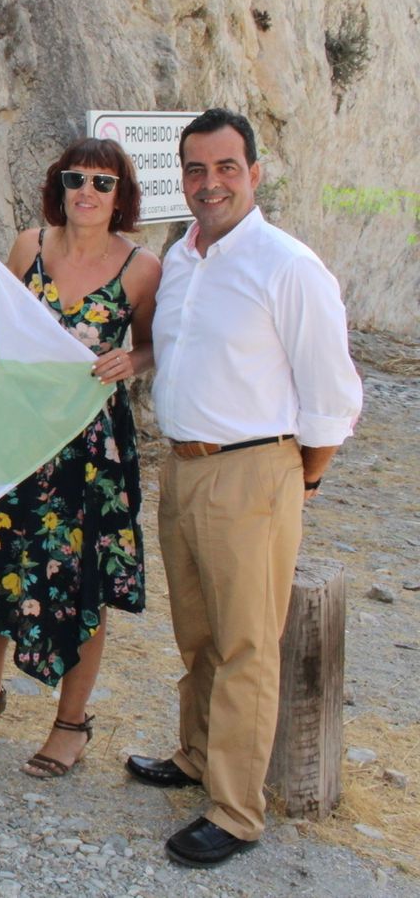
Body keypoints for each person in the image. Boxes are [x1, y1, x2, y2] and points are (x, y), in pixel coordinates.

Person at [128, 108, 362, 867]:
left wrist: (304, 476)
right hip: (183, 466)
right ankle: (196, 756)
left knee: (246, 643)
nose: (210, 183)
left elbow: (332, 393)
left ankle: (235, 809)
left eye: (227, 167)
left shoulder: (288, 265)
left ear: (254, 174)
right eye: (196, 169)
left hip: (255, 468)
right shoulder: (185, 261)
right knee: (196, 630)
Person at [0, 138, 160, 780]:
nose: (86, 191)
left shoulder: (141, 269)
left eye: (103, 182)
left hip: (90, 453)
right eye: (75, 178)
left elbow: (152, 348)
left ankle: (71, 723)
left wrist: (131, 362)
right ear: (59, 186)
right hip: (16, 441)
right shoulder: (27, 246)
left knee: (81, 584)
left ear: (122, 195)